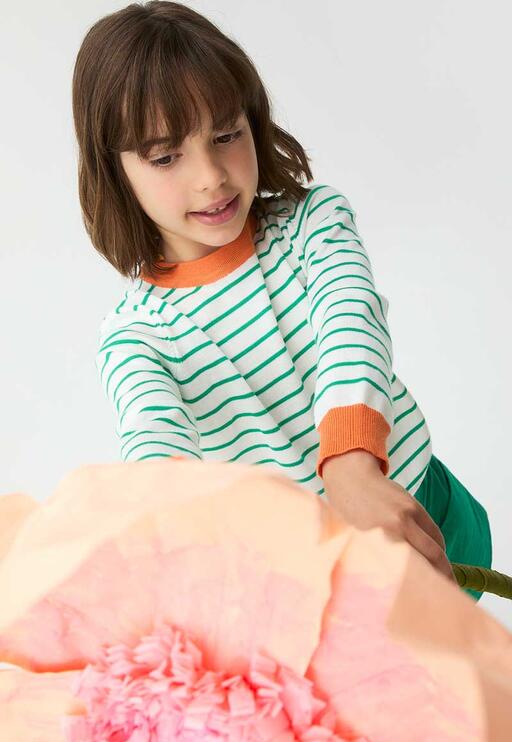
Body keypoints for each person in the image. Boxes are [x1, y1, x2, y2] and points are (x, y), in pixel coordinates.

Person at [72, 1, 492, 600]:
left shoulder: (312, 222)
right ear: (115, 172)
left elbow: (351, 319)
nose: (211, 176)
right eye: (165, 157)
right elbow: (154, 445)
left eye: (226, 135)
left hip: (425, 506)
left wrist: (350, 463)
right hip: (331, 588)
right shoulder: (137, 336)